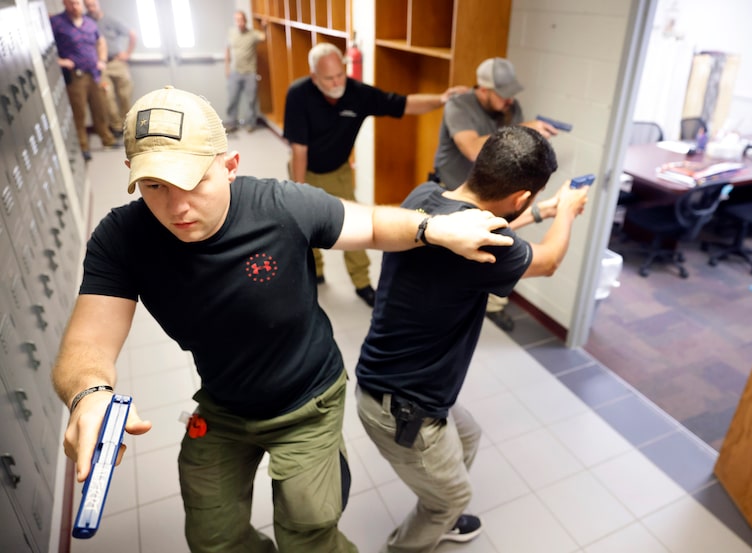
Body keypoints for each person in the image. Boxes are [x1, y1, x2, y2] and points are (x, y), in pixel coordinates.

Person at [51, 86, 514, 553]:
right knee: (212, 538)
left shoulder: (279, 206)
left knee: (308, 527)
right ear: (132, 175)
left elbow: (371, 224)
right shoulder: (121, 238)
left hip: (308, 400)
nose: (177, 207)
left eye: (193, 181)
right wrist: (88, 394)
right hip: (226, 404)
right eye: (156, 186)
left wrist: (433, 228)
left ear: (230, 167)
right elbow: (88, 341)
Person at [355, 125, 588, 553]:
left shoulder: (423, 200)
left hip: (393, 383)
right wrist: (570, 210)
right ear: (520, 196)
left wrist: (544, 211)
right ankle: (419, 533)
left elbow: (486, 219)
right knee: (455, 496)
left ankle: (436, 504)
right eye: (530, 202)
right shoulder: (491, 251)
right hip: (402, 406)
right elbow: (550, 261)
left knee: (468, 436)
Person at [283, 43, 468, 307]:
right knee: (305, 223)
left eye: (340, 74)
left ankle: (362, 282)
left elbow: (403, 104)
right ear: (314, 76)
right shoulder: (299, 94)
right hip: (305, 169)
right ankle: (315, 270)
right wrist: (298, 190)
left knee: (350, 226)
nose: (337, 82)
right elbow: (298, 150)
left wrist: (441, 99)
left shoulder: (357, 94)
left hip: (339, 171)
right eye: (329, 77)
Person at [433, 57, 559, 332]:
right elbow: (473, 150)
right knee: (447, 262)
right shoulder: (459, 105)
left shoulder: (510, 108)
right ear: (483, 90)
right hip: (454, 190)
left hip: (492, 196)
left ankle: (492, 305)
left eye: (512, 93)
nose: (510, 100)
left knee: (499, 246)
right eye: (503, 94)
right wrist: (524, 129)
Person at [51, 0, 120, 162]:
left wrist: (102, 60)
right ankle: (83, 146)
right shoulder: (57, 23)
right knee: (79, 113)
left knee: (100, 108)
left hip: (94, 74)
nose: (76, 7)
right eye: (72, 4)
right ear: (65, 4)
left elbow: (100, 41)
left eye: (77, 3)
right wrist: (59, 61)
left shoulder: (89, 22)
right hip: (76, 76)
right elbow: (44, 45)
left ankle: (107, 140)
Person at [83, 0, 136, 138]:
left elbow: (132, 34)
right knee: (107, 97)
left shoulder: (111, 20)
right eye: (88, 6)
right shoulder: (85, 22)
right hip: (101, 66)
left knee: (125, 95)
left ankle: (129, 126)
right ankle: (117, 128)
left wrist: (127, 53)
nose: (91, 8)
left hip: (117, 63)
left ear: (98, 3)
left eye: (92, 5)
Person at [225, 10, 265, 132]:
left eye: (241, 20)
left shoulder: (252, 34)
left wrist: (264, 26)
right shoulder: (231, 33)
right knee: (232, 99)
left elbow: (264, 37)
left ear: (245, 21)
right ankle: (232, 123)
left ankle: (250, 124)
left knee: (251, 99)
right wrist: (227, 67)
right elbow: (227, 50)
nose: (239, 22)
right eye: (237, 20)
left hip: (250, 72)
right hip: (235, 71)